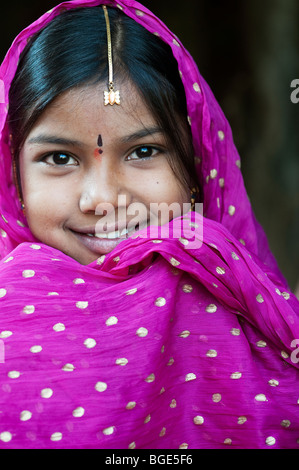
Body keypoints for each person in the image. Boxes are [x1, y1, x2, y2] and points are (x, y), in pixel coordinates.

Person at [0, 0, 298, 450]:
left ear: (199, 163)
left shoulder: (248, 310)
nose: (102, 199)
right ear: (13, 179)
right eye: (59, 158)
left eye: (142, 152)